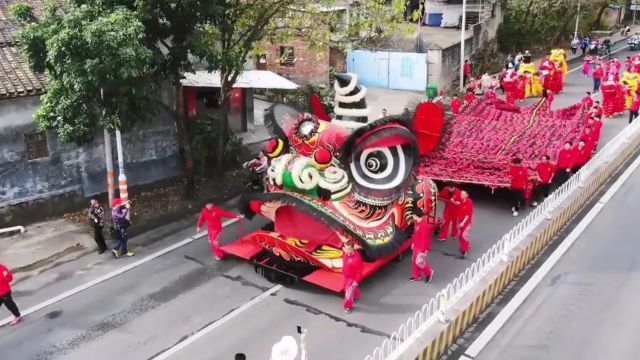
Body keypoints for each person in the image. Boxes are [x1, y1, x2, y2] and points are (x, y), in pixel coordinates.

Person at [409, 210, 434, 283]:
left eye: (413, 215)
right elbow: (415, 234)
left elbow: (425, 239)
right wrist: (413, 243)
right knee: (414, 261)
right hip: (416, 245)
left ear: (416, 216)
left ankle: (429, 273)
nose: (412, 216)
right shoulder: (417, 223)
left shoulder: (424, 226)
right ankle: (416, 276)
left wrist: (424, 250)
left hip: (421, 247)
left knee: (419, 262)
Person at [342, 242, 363, 313]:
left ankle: (347, 307)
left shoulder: (357, 259)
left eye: (349, 249)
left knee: (348, 293)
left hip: (352, 279)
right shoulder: (345, 255)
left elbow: (359, 272)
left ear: (352, 249)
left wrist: (356, 281)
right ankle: (355, 295)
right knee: (349, 289)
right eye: (345, 248)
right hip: (346, 277)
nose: (346, 250)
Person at [457, 190, 473, 259]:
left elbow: (468, 215)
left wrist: (463, 222)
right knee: (460, 235)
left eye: (463, 194)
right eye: (461, 194)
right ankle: (463, 246)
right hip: (460, 221)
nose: (461, 195)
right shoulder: (461, 201)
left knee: (464, 235)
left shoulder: (469, 203)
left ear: (467, 195)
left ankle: (465, 250)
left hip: (466, 222)